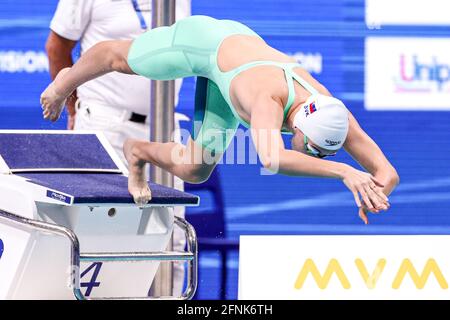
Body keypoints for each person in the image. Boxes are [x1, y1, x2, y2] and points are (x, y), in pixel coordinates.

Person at [40, 15, 399, 224]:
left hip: (230, 83)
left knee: (195, 169)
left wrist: (374, 195)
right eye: (317, 151)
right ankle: (65, 80)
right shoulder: (268, 100)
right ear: (301, 125)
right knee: (121, 59)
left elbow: (388, 173)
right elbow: (272, 159)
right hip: (209, 43)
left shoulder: (334, 114)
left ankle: (138, 152)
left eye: (327, 156)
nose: (319, 157)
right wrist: (346, 172)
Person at [44, 0, 191, 297]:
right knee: (98, 233)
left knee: (171, 240)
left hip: (165, 127)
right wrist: (70, 103)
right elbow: (60, 49)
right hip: (106, 124)